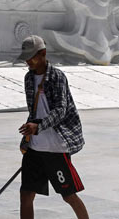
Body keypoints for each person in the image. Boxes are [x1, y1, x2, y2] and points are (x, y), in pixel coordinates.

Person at [16, 36, 88, 219]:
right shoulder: (28, 78)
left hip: (56, 147)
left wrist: (38, 126)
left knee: (69, 195)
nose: (27, 61)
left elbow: (60, 110)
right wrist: (27, 137)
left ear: (43, 54)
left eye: (31, 57)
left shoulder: (57, 77)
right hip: (35, 147)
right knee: (26, 194)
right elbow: (34, 110)